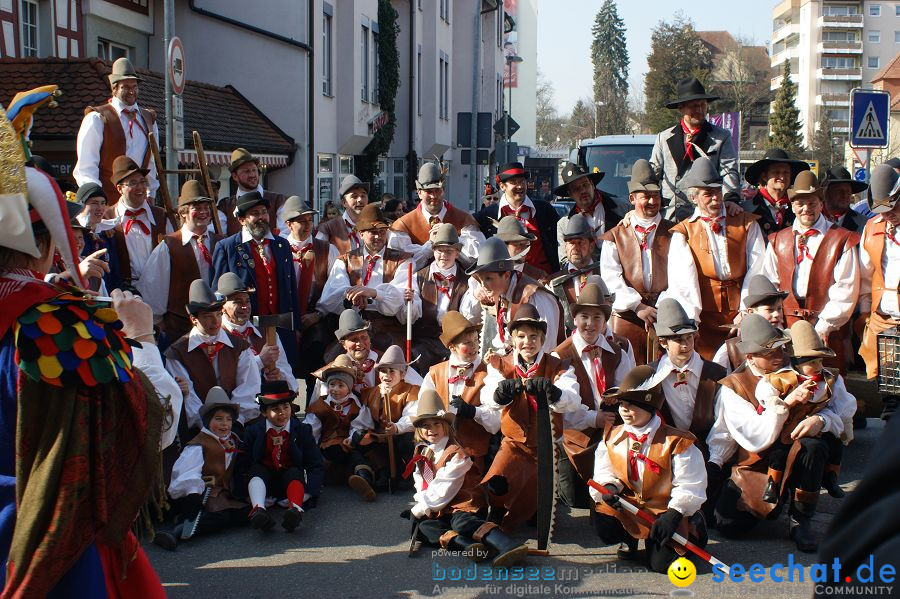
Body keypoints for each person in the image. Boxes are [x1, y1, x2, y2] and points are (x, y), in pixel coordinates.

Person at [0, 163, 167, 596]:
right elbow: (144, 423)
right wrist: (142, 339)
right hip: (43, 534)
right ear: (42, 245)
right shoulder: (51, 328)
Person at [712, 314, 830, 552]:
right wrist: (784, 405)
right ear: (750, 357)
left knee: (813, 446)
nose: (778, 356)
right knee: (728, 525)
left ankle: (801, 519)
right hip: (756, 463)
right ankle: (778, 497)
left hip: (797, 451)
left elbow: (838, 403)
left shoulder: (799, 366)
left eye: (780, 348)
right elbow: (754, 437)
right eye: (768, 353)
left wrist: (822, 419)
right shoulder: (734, 387)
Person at [590, 365, 708, 573]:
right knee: (602, 517)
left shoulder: (678, 441)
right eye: (622, 404)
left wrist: (675, 513)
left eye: (632, 405)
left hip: (665, 510)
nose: (624, 410)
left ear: (649, 407)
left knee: (661, 566)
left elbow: (690, 483)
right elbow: (605, 471)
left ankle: (695, 525)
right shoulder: (612, 436)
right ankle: (629, 537)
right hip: (631, 506)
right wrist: (609, 487)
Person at [480, 304, 581, 531]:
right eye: (522, 336)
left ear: (543, 338)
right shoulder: (500, 364)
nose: (528, 342)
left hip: (545, 444)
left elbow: (573, 398)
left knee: (537, 511)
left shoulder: (558, 365)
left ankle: (532, 510)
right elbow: (487, 396)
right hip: (513, 442)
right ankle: (496, 511)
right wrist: (500, 393)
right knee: (497, 481)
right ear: (513, 339)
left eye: (534, 336)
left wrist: (554, 392)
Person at [402, 389, 529, 568]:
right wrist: (422, 505)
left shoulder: (457, 454)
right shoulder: (422, 451)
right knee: (423, 527)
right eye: (426, 426)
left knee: (461, 522)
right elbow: (421, 482)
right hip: (443, 507)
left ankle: (506, 544)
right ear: (419, 430)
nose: (431, 430)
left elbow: (445, 488)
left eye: (436, 424)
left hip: (465, 505)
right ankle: (469, 546)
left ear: (445, 425)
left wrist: (422, 508)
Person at [760, 170, 860, 374]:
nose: (806, 209)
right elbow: (769, 285)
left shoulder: (842, 239)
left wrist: (824, 326)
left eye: (812, 203)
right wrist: (776, 321)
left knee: (829, 387)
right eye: (800, 203)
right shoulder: (778, 240)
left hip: (828, 327)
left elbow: (846, 290)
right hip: (788, 326)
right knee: (787, 382)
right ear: (792, 205)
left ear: (821, 204)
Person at [666, 157, 766, 359]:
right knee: (708, 374)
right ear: (694, 197)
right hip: (704, 320)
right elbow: (683, 283)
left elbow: (758, 268)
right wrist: (692, 323)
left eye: (717, 191)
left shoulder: (745, 222)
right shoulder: (683, 232)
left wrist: (747, 311)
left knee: (744, 372)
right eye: (708, 194)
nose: (715, 199)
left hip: (742, 314)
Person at [755, 320, 856, 504]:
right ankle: (773, 482)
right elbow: (765, 392)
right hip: (789, 427)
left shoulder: (831, 378)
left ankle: (831, 476)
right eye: (811, 362)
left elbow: (844, 404)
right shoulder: (781, 378)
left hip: (819, 429)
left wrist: (839, 423)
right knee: (779, 450)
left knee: (835, 445)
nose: (818, 366)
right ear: (796, 362)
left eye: (819, 360)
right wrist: (778, 403)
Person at [648, 298, 731, 519]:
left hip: (710, 452)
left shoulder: (717, 373)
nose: (685, 345)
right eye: (677, 340)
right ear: (663, 342)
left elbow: (725, 421)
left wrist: (716, 460)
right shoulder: (650, 376)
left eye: (689, 338)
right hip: (669, 457)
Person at [555, 282, 635, 509]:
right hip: (575, 436)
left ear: (605, 321)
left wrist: (613, 415)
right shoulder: (560, 355)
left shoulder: (617, 351)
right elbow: (563, 407)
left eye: (597, 318)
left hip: (609, 431)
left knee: (608, 496)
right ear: (575, 319)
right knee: (576, 501)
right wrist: (593, 418)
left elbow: (627, 389)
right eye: (584, 317)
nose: (590, 324)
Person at [211, 190, 299, 364]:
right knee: (251, 373)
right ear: (242, 220)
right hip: (248, 326)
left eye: (264, 212)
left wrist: (295, 325)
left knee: (283, 378)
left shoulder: (281, 244)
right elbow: (218, 292)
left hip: (282, 324)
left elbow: (291, 287)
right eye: (255, 214)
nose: (261, 217)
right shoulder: (227, 247)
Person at [164, 279, 262, 436]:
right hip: (198, 431)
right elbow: (188, 396)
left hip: (238, 428)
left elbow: (249, 387)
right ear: (194, 319)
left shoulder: (239, 346)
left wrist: (233, 422)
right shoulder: (177, 352)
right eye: (208, 316)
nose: (216, 321)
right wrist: (209, 426)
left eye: (218, 314)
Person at [157, 387, 250, 550]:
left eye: (228, 419)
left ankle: (201, 521)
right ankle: (179, 529)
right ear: (208, 421)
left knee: (245, 514)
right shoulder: (199, 445)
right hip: (199, 494)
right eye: (219, 419)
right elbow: (186, 473)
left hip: (221, 493)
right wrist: (194, 493)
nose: (225, 424)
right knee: (219, 518)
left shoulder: (232, 440)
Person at [600, 159, 674, 364]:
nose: (652, 202)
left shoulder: (674, 232)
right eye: (646, 197)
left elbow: (681, 275)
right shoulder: (615, 236)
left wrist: (664, 306)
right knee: (627, 376)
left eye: (656, 196)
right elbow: (610, 277)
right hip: (628, 316)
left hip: (665, 313)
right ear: (632, 198)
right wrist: (637, 306)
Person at [318, 204, 413, 357]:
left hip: (388, 328)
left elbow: (400, 298)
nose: (378, 236)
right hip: (353, 328)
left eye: (382, 232)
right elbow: (329, 298)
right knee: (332, 360)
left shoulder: (403, 260)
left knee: (392, 362)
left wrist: (373, 293)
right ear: (361, 234)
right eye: (372, 232)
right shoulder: (344, 260)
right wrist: (353, 295)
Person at [139, 179, 224, 344]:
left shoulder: (220, 242)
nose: (203, 212)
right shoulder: (169, 245)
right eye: (197, 208)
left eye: (206, 208)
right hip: (179, 329)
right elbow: (153, 289)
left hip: (217, 328)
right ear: (184, 212)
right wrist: (159, 324)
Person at [420, 311, 499, 489]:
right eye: (467, 343)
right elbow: (423, 411)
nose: (474, 347)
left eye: (476, 340)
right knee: (428, 479)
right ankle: (427, 505)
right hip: (441, 447)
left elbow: (496, 422)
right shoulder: (435, 372)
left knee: (465, 495)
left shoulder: (489, 372)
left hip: (474, 450)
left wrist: (473, 411)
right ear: (452, 347)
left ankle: (458, 511)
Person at [238, 380, 324, 531]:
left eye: (286, 407)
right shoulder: (253, 431)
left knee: (294, 471)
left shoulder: (303, 430)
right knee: (256, 469)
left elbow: (315, 464)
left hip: (291, 482)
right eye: (275, 409)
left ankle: (295, 509)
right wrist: (245, 494)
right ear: (264, 412)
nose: (282, 413)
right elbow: (242, 464)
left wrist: (308, 493)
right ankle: (258, 509)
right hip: (264, 483)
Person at [649, 77, 740, 220]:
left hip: (705, 215)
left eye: (703, 105)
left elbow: (729, 172)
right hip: (671, 217)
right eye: (693, 106)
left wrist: (731, 199)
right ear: (681, 108)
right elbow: (653, 174)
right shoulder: (663, 138)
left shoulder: (721, 137)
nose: (699, 110)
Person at [74, 57, 160, 203]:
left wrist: (151, 193)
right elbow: (86, 167)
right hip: (108, 200)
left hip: (139, 202)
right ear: (114, 88)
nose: (132, 91)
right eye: (126, 87)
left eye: (134, 86)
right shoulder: (97, 118)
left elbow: (151, 163)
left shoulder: (148, 119)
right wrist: (97, 199)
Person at [459, 237, 563, 355]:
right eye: (481, 279)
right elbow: (506, 341)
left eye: (488, 278)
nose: (483, 285)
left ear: (507, 275)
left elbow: (547, 349)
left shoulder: (535, 297)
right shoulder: (501, 291)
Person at [281, 196, 337, 393]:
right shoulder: (278, 248)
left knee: (314, 361)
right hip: (285, 320)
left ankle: (312, 409)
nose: (307, 226)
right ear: (289, 224)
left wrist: (318, 314)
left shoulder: (327, 250)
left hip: (315, 319)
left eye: (310, 221)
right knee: (285, 368)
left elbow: (336, 288)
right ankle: (289, 410)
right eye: (301, 221)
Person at [304, 356, 378, 502]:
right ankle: (362, 474)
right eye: (332, 385)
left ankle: (363, 479)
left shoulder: (356, 404)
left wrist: (352, 438)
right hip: (329, 444)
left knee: (361, 448)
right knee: (337, 450)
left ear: (349, 387)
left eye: (340, 385)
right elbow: (312, 429)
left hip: (348, 443)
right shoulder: (320, 406)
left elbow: (360, 424)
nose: (335, 390)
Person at [858, 163, 900, 420]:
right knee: (890, 394)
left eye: (893, 206)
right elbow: (863, 277)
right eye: (882, 210)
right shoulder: (872, 228)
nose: (889, 215)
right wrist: (864, 315)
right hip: (882, 321)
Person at [310, 309, 424, 399]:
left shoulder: (387, 362)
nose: (360, 343)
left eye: (364, 337)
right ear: (343, 344)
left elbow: (422, 388)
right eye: (354, 339)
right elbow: (317, 408)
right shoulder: (330, 372)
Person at [405, 224, 471, 373]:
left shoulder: (467, 281)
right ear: (433, 250)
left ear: (457, 253)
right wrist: (409, 300)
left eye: (449, 251)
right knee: (417, 360)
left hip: (453, 340)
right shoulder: (419, 277)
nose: (444, 255)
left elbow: (466, 315)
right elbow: (412, 312)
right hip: (425, 338)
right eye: (439, 250)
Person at [102, 155, 175, 290]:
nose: (140, 187)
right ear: (119, 189)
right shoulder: (107, 218)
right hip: (125, 292)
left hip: (160, 291)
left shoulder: (160, 215)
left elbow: (174, 253)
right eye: (133, 183)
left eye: (143, 182)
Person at [389, 162, 484, 264]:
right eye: (429, 191)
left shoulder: (464, 220)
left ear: (443, 190)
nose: (434, 196)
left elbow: (478, 258)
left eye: (437, 190)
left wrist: (452, 239)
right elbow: (398, 265)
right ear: (419, 192)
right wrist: (429, 247)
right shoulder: (403, 225)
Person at [217, 272, 297, 392]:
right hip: (235, 407)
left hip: (266, 406)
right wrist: (260, 361)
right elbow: (223, 378)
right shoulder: (217, 336)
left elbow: (290, 379)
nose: (245, 306)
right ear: (222, 306)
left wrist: (279, 377)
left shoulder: (267, 332)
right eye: (238, 302)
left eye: (247, 301)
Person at [355, 345, 421, 490]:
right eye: (383, 371)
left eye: (392, 371)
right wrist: (356, 433)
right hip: (381, 436)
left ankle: (408, 474)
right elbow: (363, 419)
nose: (386, 375)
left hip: (401, 434)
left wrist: (397, 427)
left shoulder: (411, 391)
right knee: (361, 438)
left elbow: (412, 417)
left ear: (402, 374)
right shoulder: (372, 392)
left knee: (406, 440)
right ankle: (383, 472)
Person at [476, 162, 561, 274]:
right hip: (506, 282)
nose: (520, 186)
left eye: (522, 181)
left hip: (543, 280)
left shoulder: (544, 210)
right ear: (502, 186)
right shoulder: (487, 216)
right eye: (514, 182)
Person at [712, 275, 787, 373]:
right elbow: (718, 381)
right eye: (770, 310)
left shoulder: (788, 340)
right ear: (751, 312)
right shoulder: (731, 349)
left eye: (779, 308)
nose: (776, 314)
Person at [548, 214, 603, 335]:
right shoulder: (554, 282)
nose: (576, 248)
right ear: (565, 247)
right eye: (571, 243)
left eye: (580, 242)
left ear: (592, 246)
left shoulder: (605, 273)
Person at [553, 161, 621, 260]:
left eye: (585, 185)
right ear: (570, 194)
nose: (583, 191)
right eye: (576, 189)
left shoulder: (622, 209)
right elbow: (564, 261)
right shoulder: (564, 225)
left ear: (592, 185)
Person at [218, 148, 289, 235]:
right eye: (246, 171)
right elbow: (218, 237)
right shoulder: (225, 207)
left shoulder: (277, 201)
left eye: (254, 170)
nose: (252, 175)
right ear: (235, 176)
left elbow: (286, 233)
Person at [741, 148, 810, 235]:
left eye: (786, 172)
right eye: (776, 172)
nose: (782, 177)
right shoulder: (747, 209)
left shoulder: (798, 208)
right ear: (764, 176)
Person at [316, 175, 370, 253]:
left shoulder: (376, 225)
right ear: (344, 202)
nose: (360, 200)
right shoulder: (328, 228)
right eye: (354, 196)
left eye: (363, 195)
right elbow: (317, 255)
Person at [494, 215, 549, 282]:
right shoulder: (489, 273)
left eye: (525, 244)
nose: (523, 249)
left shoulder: (538, 276)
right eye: (518, 244)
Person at [820, 165, 869, 232]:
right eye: (839, 191)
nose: (845, 195)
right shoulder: (812, 218)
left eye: (848, 191)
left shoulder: (864, 224)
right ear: (826, 192)